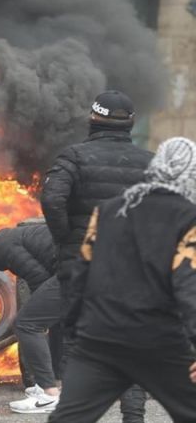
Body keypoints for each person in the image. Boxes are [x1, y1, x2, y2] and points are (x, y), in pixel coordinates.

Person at [48, 136, 196, 422]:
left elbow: (80, 274)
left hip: (99, 338)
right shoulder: (188, 217)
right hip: (159, 342)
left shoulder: (107, 211)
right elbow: (189, 286)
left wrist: (76, 332)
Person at [40, 90, 151, 420]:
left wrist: (66, 240)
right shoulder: (153, 163)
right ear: (131, 123)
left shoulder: (73, 157)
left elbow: (52, 199)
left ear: (93, 118)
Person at [0, 222, 66, 413]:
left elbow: (38, 278)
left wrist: (39, 313)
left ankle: (48, 395)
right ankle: (58, 388)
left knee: (26, 324)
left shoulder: (1, 245)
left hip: (81, 267)